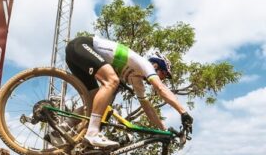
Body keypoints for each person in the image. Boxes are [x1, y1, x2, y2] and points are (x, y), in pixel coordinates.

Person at [64, 35, 192, 147]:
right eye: (163, 74)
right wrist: (183, 112)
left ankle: (61, 128)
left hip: (76, 57)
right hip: (80, 46)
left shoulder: (136, 80)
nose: (162, 79)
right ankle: (92, 133)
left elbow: (148, 109)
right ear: (156, 66)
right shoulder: (144, 64)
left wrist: (164, 130)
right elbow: (160, 88)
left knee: (93, 104)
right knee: (112, 81)